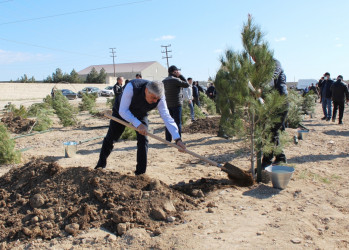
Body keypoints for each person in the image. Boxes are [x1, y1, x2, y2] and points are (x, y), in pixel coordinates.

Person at [95, 79, 186, 174]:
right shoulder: (132, 87)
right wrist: (138, 124)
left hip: (140, 113)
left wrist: (177, 139)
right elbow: (123, 111)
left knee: (143, 139)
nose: (155, 101)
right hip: (121, 111)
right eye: (153, 98)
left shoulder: (159, 97)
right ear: (146, 90)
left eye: (157, 99)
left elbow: (167, 117)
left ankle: (140, 173)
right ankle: (100, 166)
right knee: (111, 137)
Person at [261, 59, 289, 168]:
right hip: (270, 103)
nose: (254, 58)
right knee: (272, 131)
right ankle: (280, 158)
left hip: (280, 102)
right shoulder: (259, 66)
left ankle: (267, 161)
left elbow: (273, 75)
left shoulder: (274, 63)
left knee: (270, 131)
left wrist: (262, 85)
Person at [163, 65, 189, 142]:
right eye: (177, 71)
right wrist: (180, 75)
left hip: (167, 105)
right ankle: (178, 140)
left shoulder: (164, 81)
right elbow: (187, 84)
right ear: (174, 72)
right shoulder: (176, 80)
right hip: (177, 104)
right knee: (177, 123)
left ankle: (168, 139)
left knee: (168, 122)